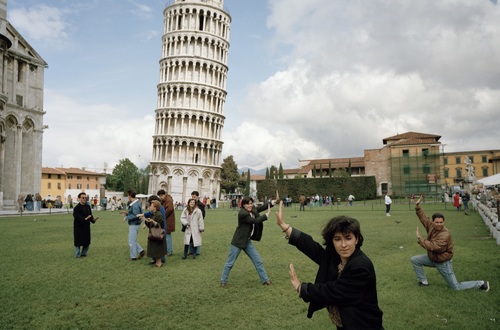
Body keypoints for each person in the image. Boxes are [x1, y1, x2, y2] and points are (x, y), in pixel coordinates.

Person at [276, 201, 383, 329]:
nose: (343, 245)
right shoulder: (337, 257)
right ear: (332, 241)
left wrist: (302, 288)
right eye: (337, 239)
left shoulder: (360, 266)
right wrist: (285, 227)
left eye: (348, 238)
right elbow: (314, 249)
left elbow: (332, 291)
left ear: (357, 239)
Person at [410, 195, 490, 291]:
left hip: (443, 262)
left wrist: (420, 238)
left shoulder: (445, 234)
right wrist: (418, 207)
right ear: (433, 222)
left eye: (441, 222)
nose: (439, 224)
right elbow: (424, 219)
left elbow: (434, 247)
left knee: (456, 287)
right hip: (433, 258)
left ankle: (481, 283)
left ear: (443, 222)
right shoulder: (431, 226)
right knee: (415, 260)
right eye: (437, 222)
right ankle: (423, 282)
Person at [220, 197, 274, 287]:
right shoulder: (242, 213)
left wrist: (271, 203)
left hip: (247, 241)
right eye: (247, 204)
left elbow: (259, 208)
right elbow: (254, 221)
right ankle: (223, 281)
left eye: (250, 203)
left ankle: (265, 280)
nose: (249, 205)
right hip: (238, 241)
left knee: (258, 261)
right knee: (230, 263)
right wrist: (266, 216)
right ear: (243, 205)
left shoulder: (251, 209)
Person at [121, 190, 145, 261]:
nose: (127, 196)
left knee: (131, 241)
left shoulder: (135, 205)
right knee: (132, 240)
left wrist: (126, 217)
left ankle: (133, 257)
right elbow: (135, 214)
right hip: (135, 224)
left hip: (134, 224)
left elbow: (136, 215)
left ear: (129, 195)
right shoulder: (136, 203)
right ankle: (141, 251)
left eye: (128, 195)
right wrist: (127, 213)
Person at [73, 192, 98, 258]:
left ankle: (84, 253)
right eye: (83, 197)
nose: (84, 199)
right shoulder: (76, 208)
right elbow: (77, 217)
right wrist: (85, 218)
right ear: (79, 198)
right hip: (78, 227)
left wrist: (93, 220)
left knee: (87, 241)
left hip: (86, 226)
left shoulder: (88, 206)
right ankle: (77, 254)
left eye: (85, 197)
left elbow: (90, 215)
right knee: (78, 241)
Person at [142, 200, 166, 268]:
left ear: (155, 207)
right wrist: (146, 220)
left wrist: (153, 221)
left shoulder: (159, 214)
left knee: (158, 248)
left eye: (151, 206)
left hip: (158, 234)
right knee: (154, 248)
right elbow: (150, 224)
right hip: (153, 234)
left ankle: (159, 263)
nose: (150, 207)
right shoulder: (153, 214)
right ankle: (156, 262)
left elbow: (160, 224)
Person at [158, 189, 175, 256]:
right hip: (167, 220)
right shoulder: (166, 199)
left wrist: (163, 215)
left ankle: (169, 251)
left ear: (163, 195)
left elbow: (170, 209)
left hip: (168, 220)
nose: (160, 198)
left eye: (160, 196)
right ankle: (169, 250)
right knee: (167, 235)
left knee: (167, 236)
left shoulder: (168, 200)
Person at [189, 191, 206, 256]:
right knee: (190, 236)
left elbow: (203, 214)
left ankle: (197, 251)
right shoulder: (190, 204)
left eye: (194, 197)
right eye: (192, 196)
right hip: (191, 223)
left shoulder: (201, 205)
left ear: (197, 197)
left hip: (197, 223)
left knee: (197, 237)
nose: (193, 198)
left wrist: (200, 223)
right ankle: (190, 251)